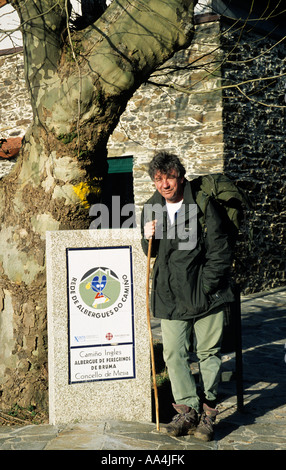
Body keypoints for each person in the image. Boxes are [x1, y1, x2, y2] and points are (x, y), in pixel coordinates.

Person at [141, 151, 235, 441]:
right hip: (170, 296)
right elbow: (152, 254)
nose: (165, 184)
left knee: (208, 354)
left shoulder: (202, 204)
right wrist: (147, 237)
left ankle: (207, 413)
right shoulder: (151, 207)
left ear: (180, 176)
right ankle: (187, 411)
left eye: (169, 177)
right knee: (173, 353)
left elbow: (220, 251)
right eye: (158, 179)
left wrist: (206, 286)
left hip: (206, 295)